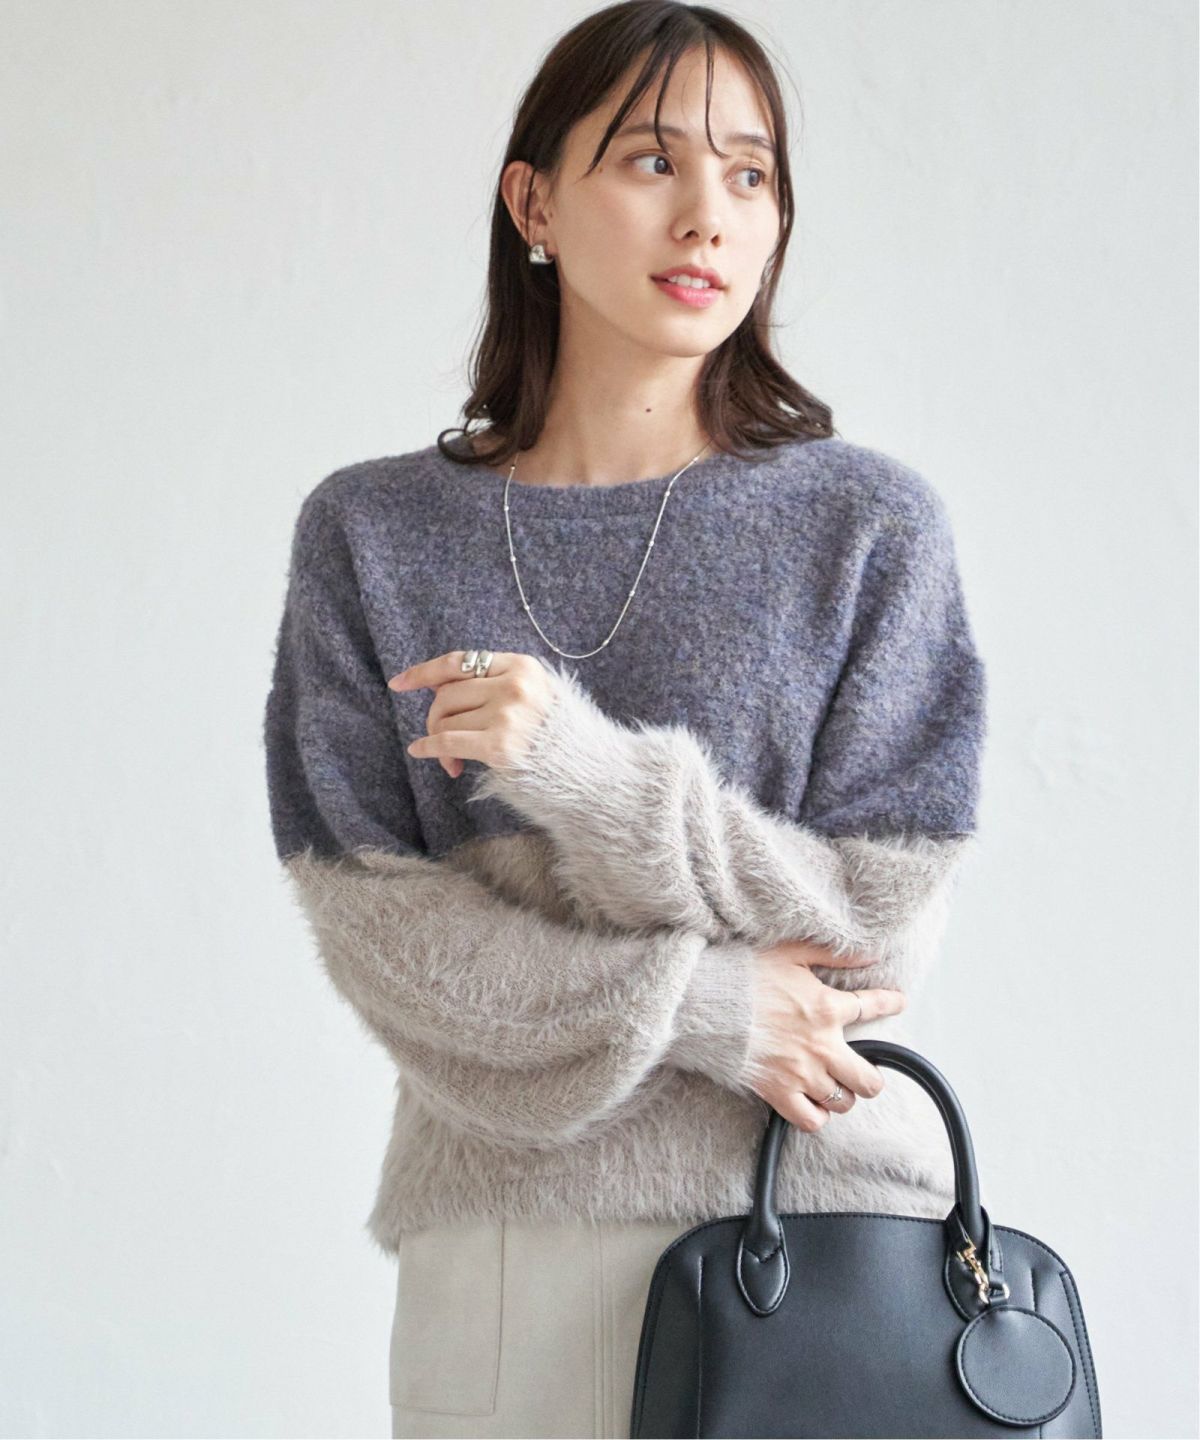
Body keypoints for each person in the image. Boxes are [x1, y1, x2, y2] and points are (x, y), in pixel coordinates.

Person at [262, 3, 989, 1436]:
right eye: (653, 160)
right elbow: (381, 931)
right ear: (533, 202)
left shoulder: (868, 528)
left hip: (827, 1234)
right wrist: (706, 1008)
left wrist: (574, 772)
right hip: (508, 1255)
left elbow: (873, 938)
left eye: (750, 173)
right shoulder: (371, 534)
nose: (708, 213)